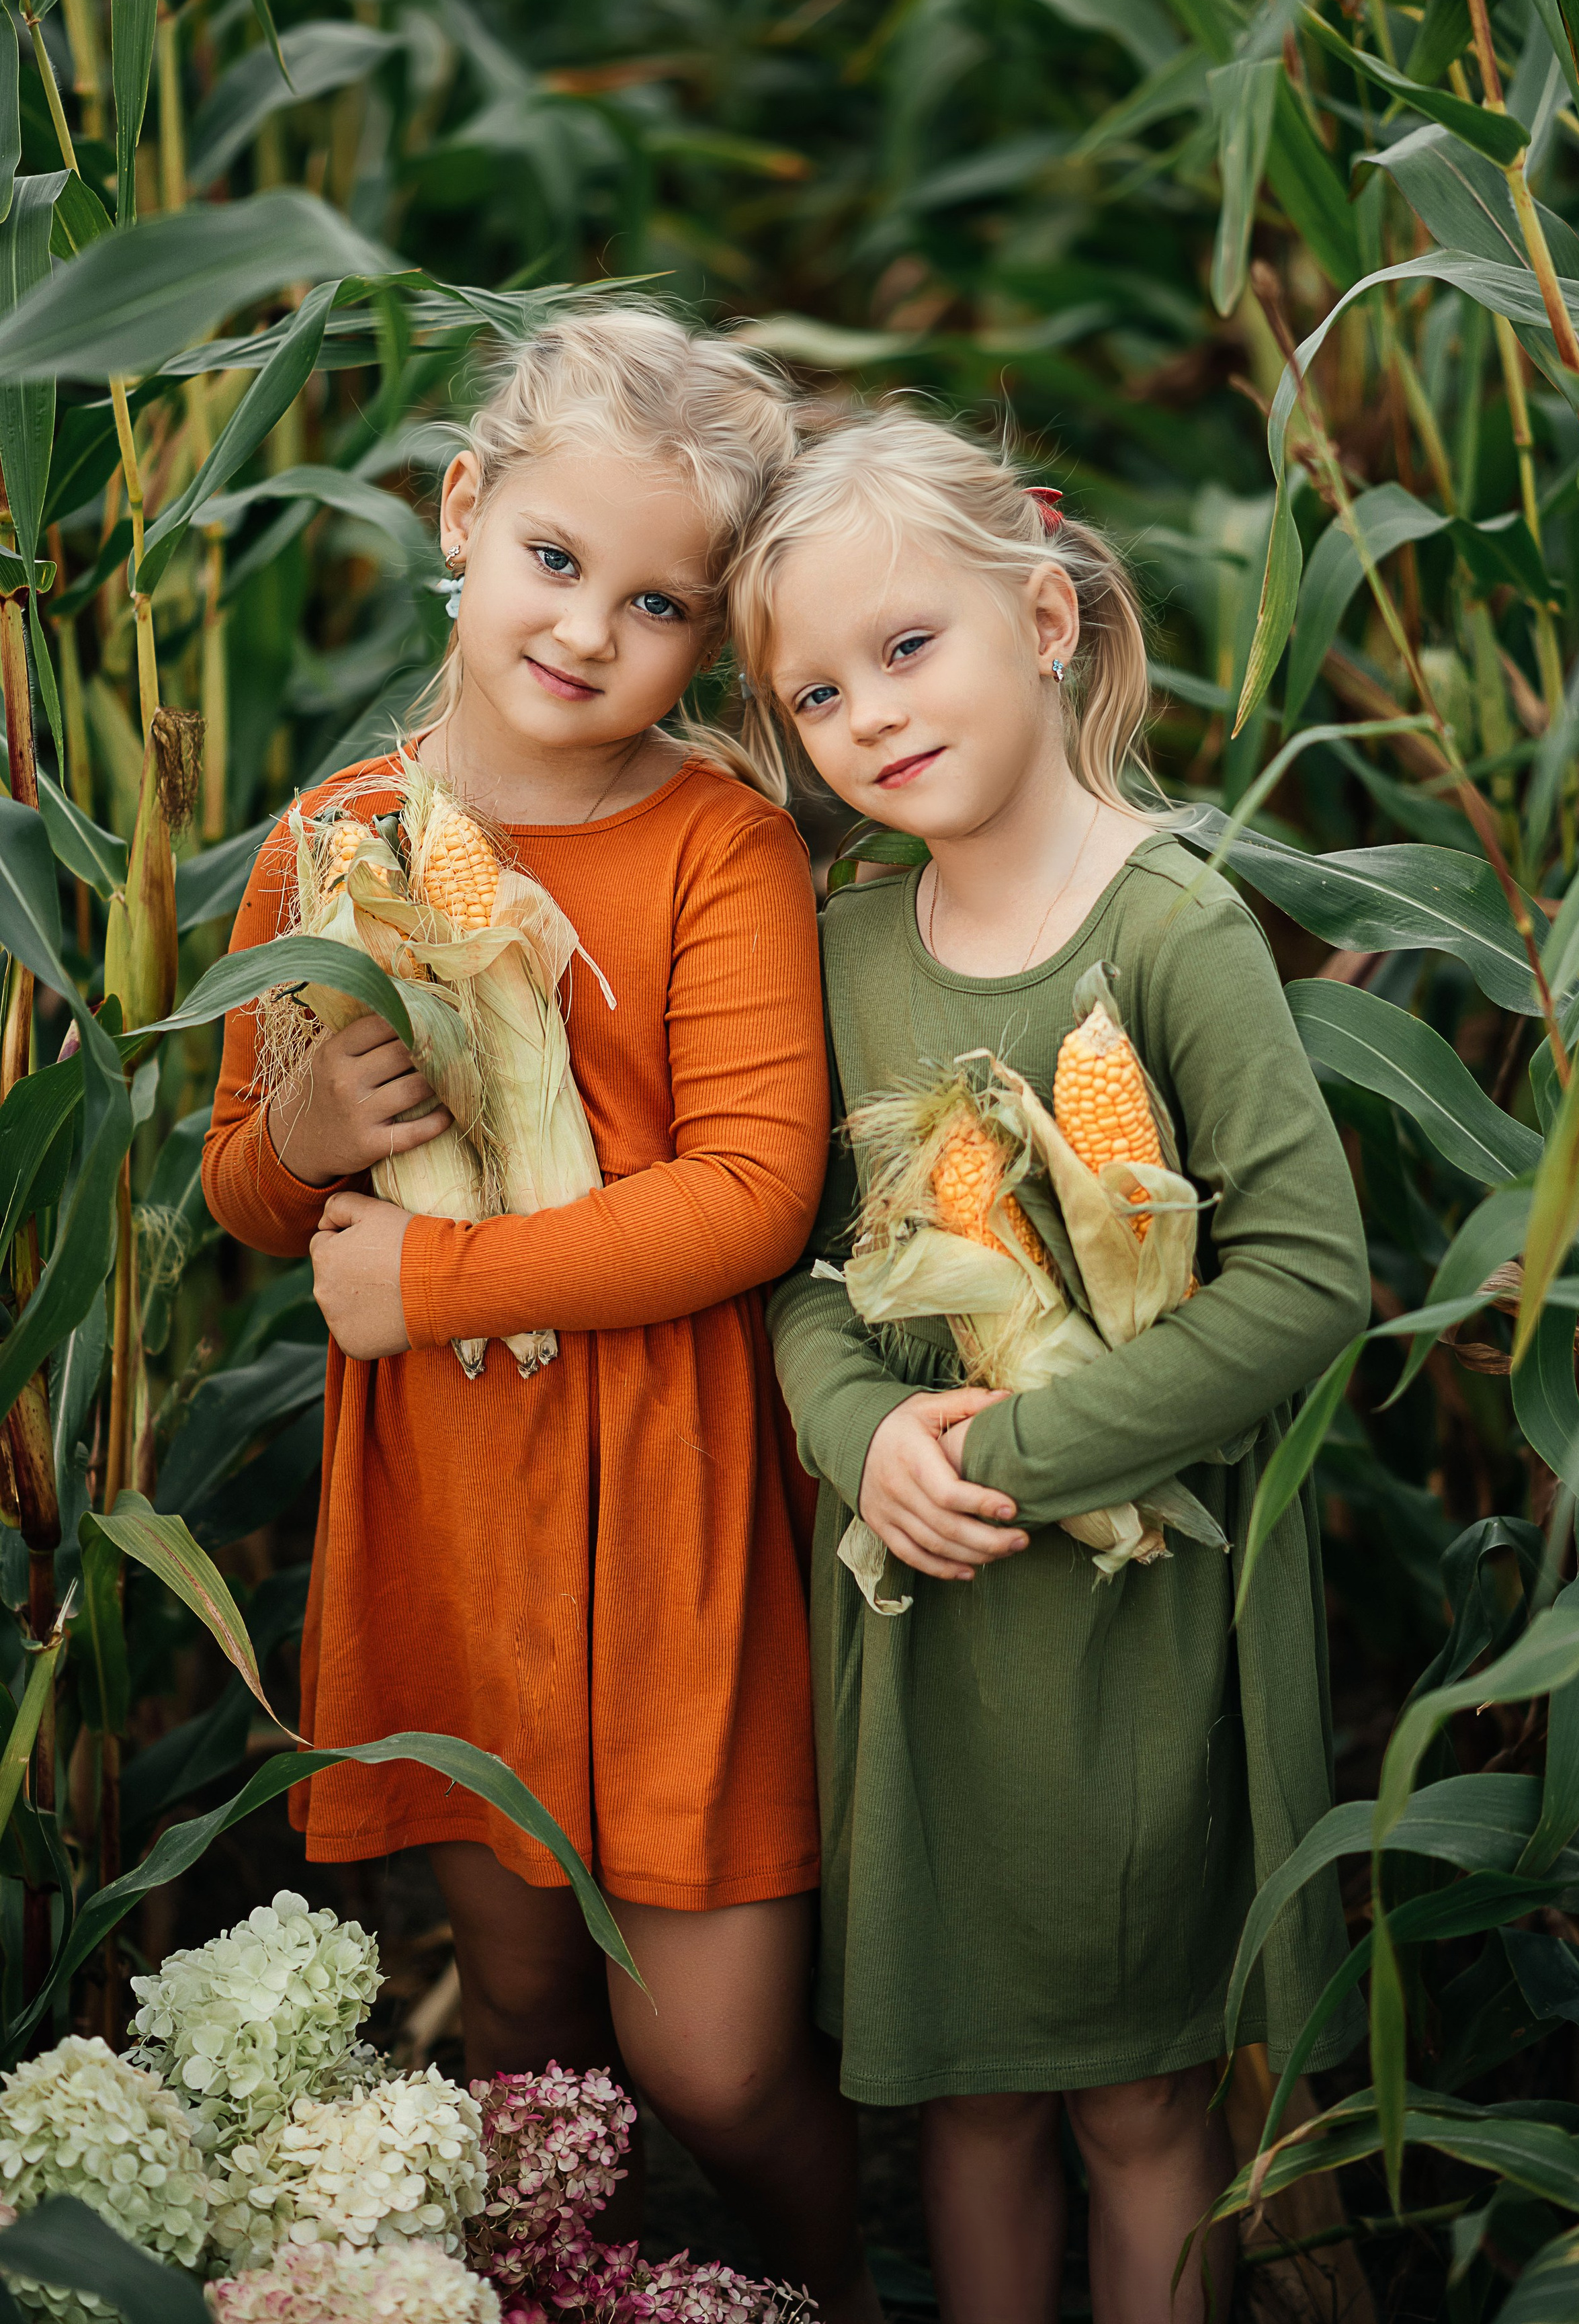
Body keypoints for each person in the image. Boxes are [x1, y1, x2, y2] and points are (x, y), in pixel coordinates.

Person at [202, 304, 883, 2324]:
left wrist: (432, 1282)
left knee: (715, 2063)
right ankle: (570, 2298)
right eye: (556, 559)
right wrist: (302, 1139)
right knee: (522, 2019)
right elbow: (245, 1186)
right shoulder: (330, 843)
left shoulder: (716, 847)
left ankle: (835, 2289)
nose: (588, 630)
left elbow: (749, 1196)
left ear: (714, 638)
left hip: (673, 1517)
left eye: (658, 604)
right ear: (463, 512)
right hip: (457, 1515)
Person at [724, 409, 1371, 2324]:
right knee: (974, 2098)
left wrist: (1004, 1457)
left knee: (1141, 2098)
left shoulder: (1171, 928)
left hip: (1136, 1624)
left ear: (1047, 619)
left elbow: (1306, 1280)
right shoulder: (847, 948)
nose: (868, 715)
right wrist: (862, 1436)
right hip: (928, 1621)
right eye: (817, 693)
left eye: (907, 648)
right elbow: (809, 1274)